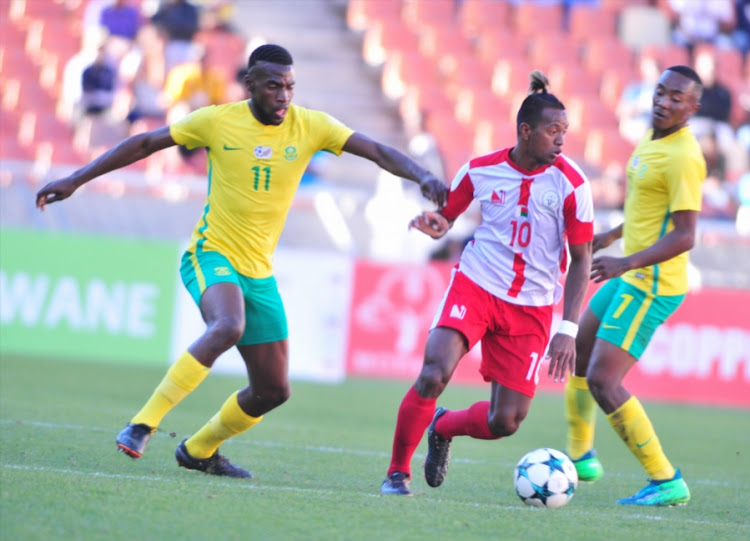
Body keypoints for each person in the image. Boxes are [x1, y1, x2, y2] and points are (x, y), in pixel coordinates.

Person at [35, 44, 448, 478]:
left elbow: (378, 151)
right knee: (228, 326)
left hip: (258, 273)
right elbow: (145, 142)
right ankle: (142, 423)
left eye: (289, 86)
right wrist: (76, 179)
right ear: (249, 85)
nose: (284, 96)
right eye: (273, 86)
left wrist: (422, 175)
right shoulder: (217, 120)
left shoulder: (310, 126)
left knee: (273, 390)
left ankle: (198, 449)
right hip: (210, 254)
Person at [380, 71, 594, 496]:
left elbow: (582, 257)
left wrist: (567, 330)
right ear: (525, 131)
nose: (560, 140)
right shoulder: (480, 170)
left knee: (506, 422)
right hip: (477, 285)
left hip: (531, 306)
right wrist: (436, 225)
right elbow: (449, 217)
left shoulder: (572, 185)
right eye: (553, 131)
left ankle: (443, 426)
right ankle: (396, 474)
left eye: (564, 132)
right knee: (434, 371)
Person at [563, 65, 707, 506]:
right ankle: (582, 457)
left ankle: (666, 480)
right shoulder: (653, 138)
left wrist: (626, 261)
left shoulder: (684, 156)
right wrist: (611, 236)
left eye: (676, 98)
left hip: (652, 283)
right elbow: (650, 210)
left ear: (693, 108)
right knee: (580, 354)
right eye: (660, 92)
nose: (664, 102)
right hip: (632, 270)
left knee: (606, 382)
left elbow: (685, 234)